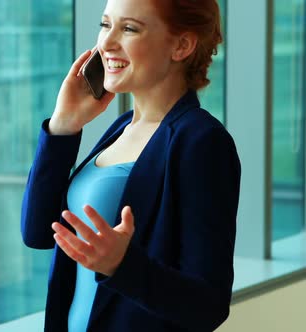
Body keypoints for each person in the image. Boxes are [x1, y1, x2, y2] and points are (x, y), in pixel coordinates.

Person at [21, 0, 241, 331]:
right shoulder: (121, 128)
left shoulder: (202, 141)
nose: (106, 44)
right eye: (105, 25)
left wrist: (122, 266)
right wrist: (62, 127)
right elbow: (38, 232)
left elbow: (208, 305)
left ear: (181, 45)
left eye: (128, 29)